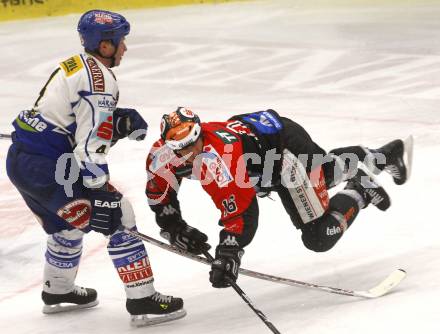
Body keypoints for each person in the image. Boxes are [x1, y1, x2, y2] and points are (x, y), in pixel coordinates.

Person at [6, 10, 185, 326]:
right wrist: (101, 188)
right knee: (119, 214)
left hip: (22, 160)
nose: (124, 48)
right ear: (105, 46)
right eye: (121, 41)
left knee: (66, 222)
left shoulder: (74, 64)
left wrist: (118, 120)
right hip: (51, 167)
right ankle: (142, 300)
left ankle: (58, 290)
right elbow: (89, 147)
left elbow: (66, 118)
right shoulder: (100, 82)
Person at [146, 107, 413, 288]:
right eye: (181, 149)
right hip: (265, 145)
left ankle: (360, 191)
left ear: (201, 133)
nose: (191, 153)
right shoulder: (161, 156)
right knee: (328, 171)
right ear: (167, 145)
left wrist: (228, 252)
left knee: (318, 235)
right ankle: (384, 155)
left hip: (284, 151)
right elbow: (160, 192)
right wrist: (172, 227)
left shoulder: (220, 156)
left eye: (195, 144)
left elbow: (242, 211)